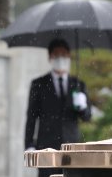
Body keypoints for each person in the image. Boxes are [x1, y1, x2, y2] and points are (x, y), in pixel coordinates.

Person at [24, 38, 91, 177]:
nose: (61, 58)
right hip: (46, 146)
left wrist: (82, 107)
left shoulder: (78, 84)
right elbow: (31, 117)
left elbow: (87, 117)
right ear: (50, 57)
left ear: (69, 56)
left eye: (64, 54)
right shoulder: (39, 84)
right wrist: (29, 144)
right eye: (56, 54)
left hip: (72, 147)